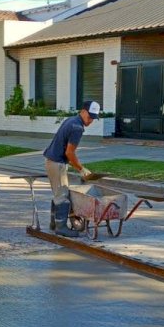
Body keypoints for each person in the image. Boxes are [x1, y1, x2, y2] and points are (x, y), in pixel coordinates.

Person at [43, 100, 100, 237]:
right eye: (90, 116)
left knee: (60, 193)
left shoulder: (72, 120)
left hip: (53, 161)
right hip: (57, 163)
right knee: (62, 195)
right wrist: (81, 169)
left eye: (94, 117)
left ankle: (54, 223)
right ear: (83, 111)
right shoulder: (77, 127)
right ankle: (60, 228)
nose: (91, 120)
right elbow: (69, 153)